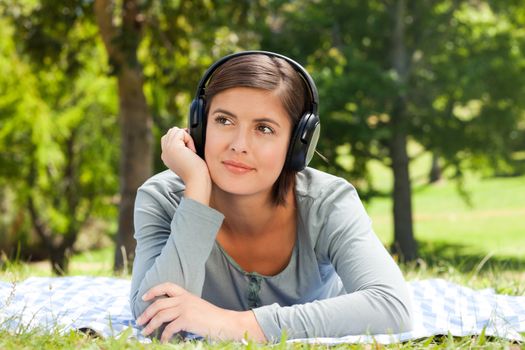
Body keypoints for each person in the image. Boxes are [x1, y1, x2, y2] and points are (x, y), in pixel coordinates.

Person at [129, 51, 412, 343]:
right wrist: (197, 188)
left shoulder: (328, 202)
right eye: (224, 121)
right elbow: (153, 317)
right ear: (199, 126)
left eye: (264, 129)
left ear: (297, 144)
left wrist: (236, 324)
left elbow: (392, 306)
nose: (239, 145)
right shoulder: (162, 197)